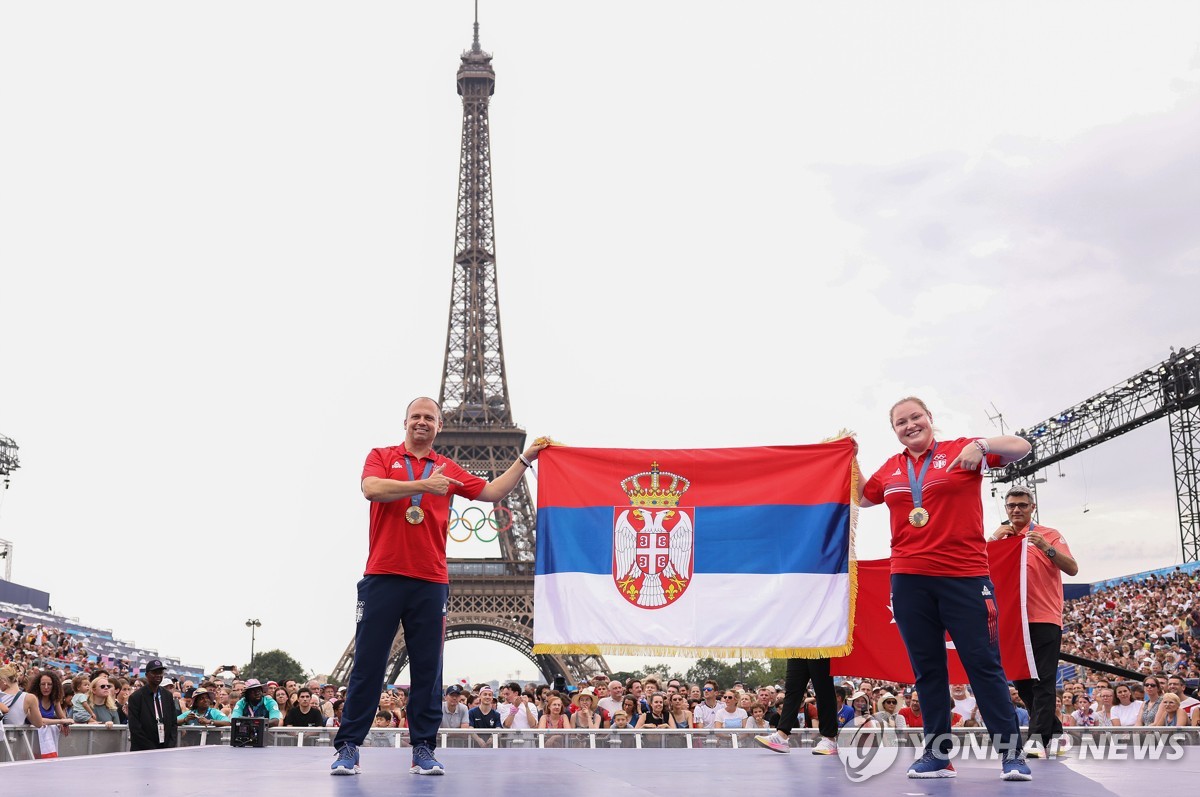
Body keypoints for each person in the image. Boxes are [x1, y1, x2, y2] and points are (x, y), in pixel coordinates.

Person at [331, 396, 548, 776]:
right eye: (416, 416)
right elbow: (371, 489)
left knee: (428, 671)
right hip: (383, 573)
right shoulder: (382, 456)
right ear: (405, 421)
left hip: (430, 579)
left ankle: (423, 749)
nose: (421, 422)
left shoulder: (448, 468)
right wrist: (424, 485)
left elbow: (494, 492)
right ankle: (349, 745)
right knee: (367, 665)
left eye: (429, 418)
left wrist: (526, 457)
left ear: (439, 426)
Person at [861, 396, 1033, 781]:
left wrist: (983, 445)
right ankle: (938, 757)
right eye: (900, 422)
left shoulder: (960, 450)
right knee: (928, 672)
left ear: (929, 418)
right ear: (895, 430)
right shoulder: (891, 467)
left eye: (915, 417)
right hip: (908, 579)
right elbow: (860, 497)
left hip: (965, 577)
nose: (910, 425)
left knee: (983, 668)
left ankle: (1012, 757)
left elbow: (1023, 447)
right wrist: (843, 456)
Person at [989, 485, 1079, 755]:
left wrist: (1047, 549)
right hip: (1011, 620)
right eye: (1012, 506)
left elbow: (1073, 568)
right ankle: (1056, 732)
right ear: (1006, 509)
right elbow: (976, 568)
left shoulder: (1049, 535)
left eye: (1022, 505)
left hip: (1044, 617)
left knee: (1044, 679)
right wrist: (992, 541)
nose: (1016, 510)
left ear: (1032, 508)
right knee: (1020, 680)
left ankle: (1037, 740)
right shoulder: (1000, 537)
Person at [754, 657, 839, 755]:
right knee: (792, 689)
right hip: (798, 645)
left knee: (823, 688)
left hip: (819, 644)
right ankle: (781, 736)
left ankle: (829, 739)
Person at [127, 659, 178, 751]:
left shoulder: (167, 695)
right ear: (147, 675)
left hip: (165, 749)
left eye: (160, 672)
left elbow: (173, 723)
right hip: (143, 750)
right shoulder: (136, 697)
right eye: (154, 672)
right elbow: (135, 728)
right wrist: (152, 750)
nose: (158, 675)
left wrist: (170, 745)